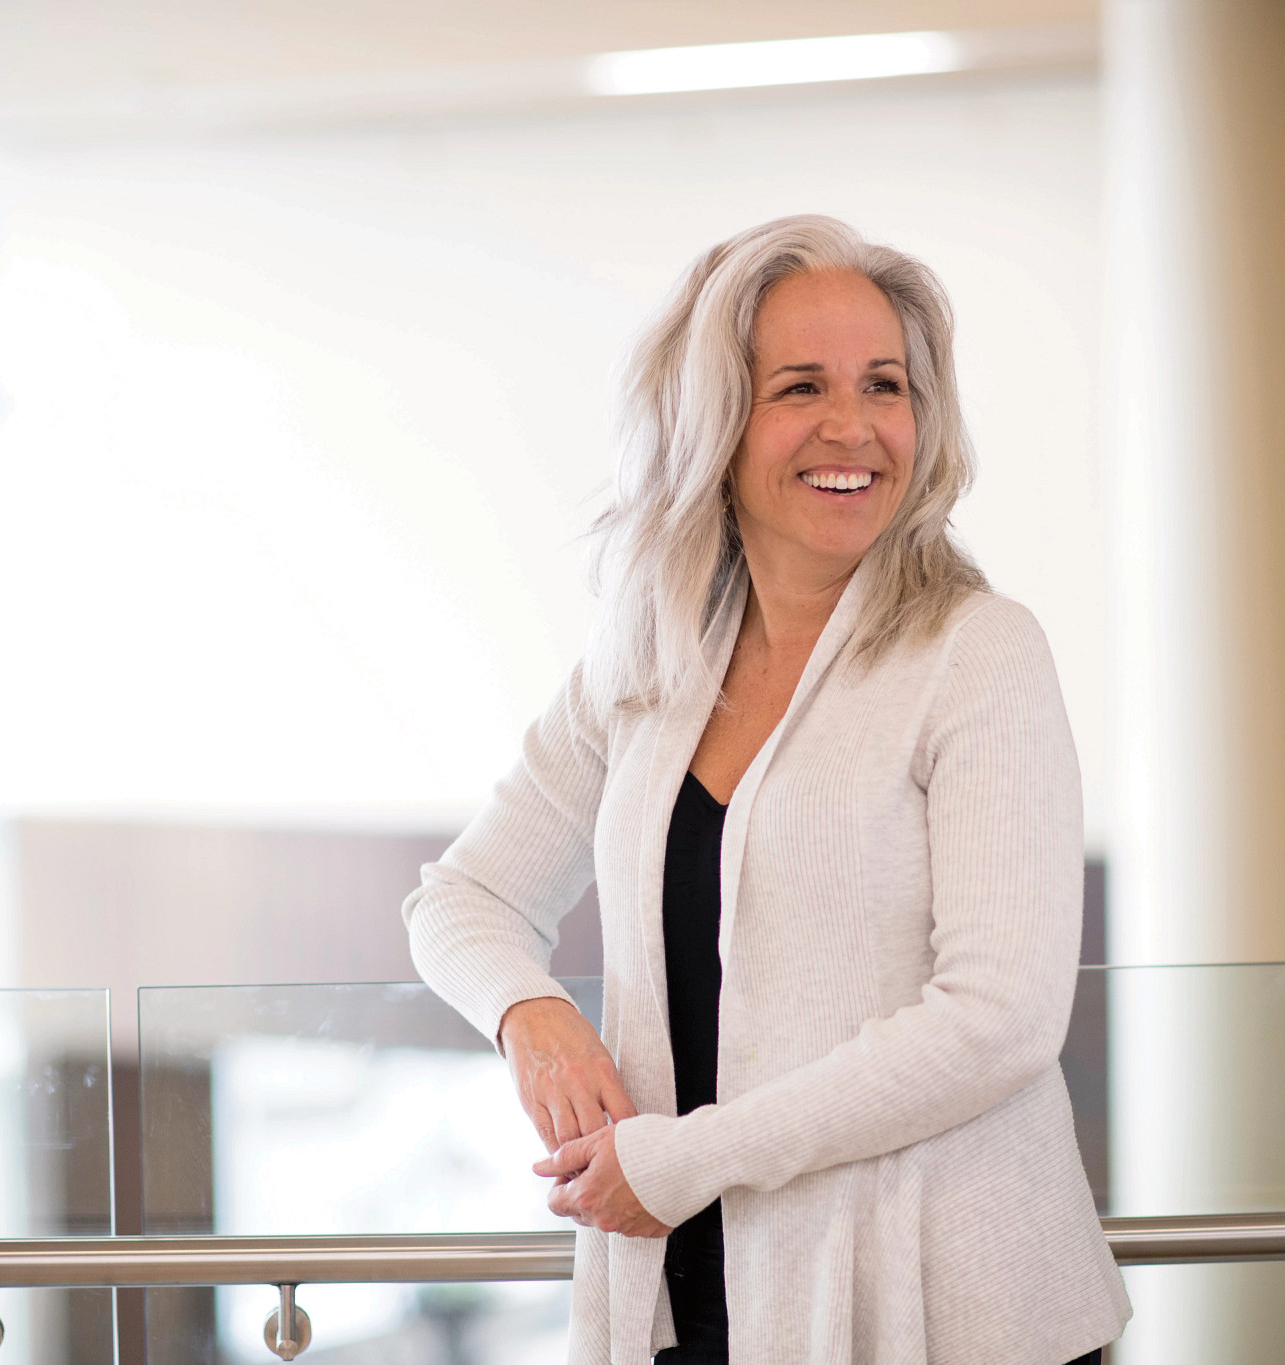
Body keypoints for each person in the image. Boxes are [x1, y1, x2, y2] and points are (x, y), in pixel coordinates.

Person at [402, 215, 1129, 1365]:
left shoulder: (977, 652)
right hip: (683, 1306)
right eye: (800, 387)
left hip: (939, 1319)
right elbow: (460, 901)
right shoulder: (643, 659)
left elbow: (999, 1020)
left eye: (883, 385)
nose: (852, 428)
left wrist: (687, 1161)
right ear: (713, 423)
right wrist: (528, 1017)